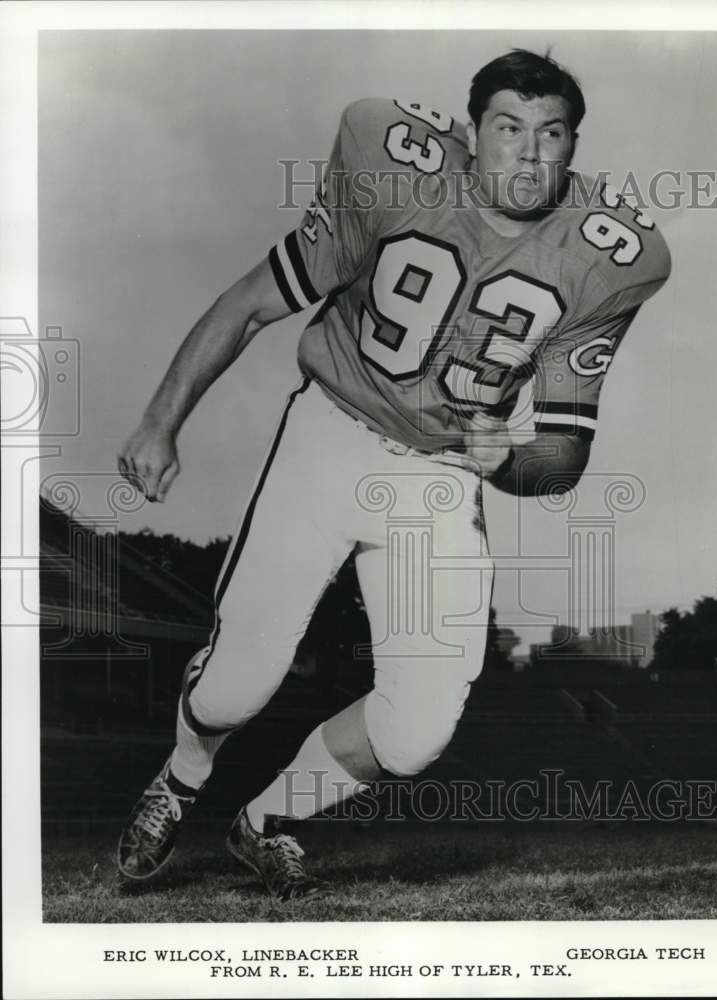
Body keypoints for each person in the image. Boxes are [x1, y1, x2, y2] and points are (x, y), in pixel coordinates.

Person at [116, 49, 670, 899]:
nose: (529, 155)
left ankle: (265, 821)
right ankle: (180, 781)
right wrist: (161, 420)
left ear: (574, 145)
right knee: (235, 688)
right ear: (472, 130)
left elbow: (562, 449)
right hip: (331, 434)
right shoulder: (396, 167)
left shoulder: (610, 257)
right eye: (509, 129)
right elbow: (253, 301)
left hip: (439, 477)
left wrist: (513, 462)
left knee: (415, 733)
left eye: (551, 134)